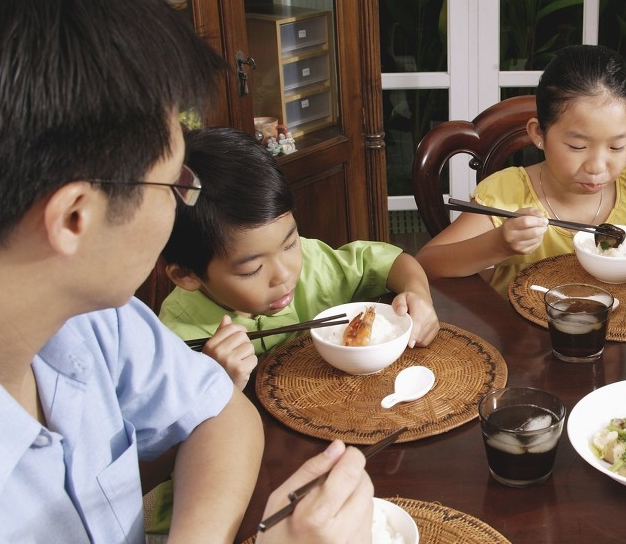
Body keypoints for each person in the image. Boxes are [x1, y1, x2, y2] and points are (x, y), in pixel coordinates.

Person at [0, 0, 377, 544]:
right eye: (176, 184)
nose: (184, 201)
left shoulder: (83, 318)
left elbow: (221, 414)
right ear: (75, 216)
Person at [415, 44, 626, 293]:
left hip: (618, 336)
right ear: (538, 134)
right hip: (522, 346)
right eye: (577, 147)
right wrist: (498, 244)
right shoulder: (507, 195)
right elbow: (428, 263)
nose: (597, 167)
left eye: (618, 146)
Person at [159, 127, 440, 390]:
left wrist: (417, 293)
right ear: (187, 275)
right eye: (252, 269)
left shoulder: (313, 264)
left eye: (289, 243)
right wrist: (216, 389)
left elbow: (392, 262)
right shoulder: (174, 339)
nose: (284, 274)